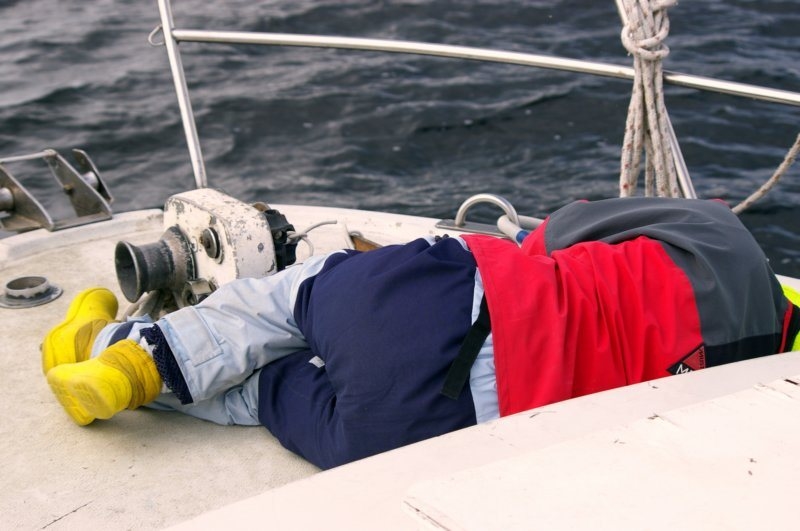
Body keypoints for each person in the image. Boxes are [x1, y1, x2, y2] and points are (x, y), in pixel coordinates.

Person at [42, 197, 800, 470]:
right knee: (268, 394)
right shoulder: (748, 398)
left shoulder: (722, 238)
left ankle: (127, 357)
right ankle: (124, 368)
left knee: (282, 304)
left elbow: (560, 235)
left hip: (455, 304)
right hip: (436, 429)